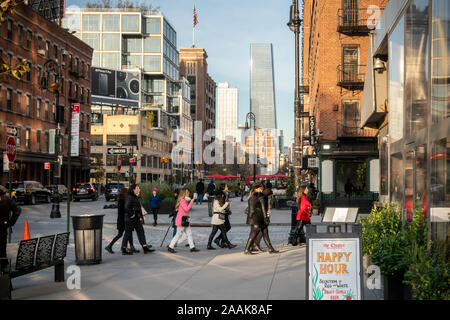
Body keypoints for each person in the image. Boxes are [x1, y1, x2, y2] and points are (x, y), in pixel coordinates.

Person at [244, 182, 279, 254]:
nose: (262, 189)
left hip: (258, 217)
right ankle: (247, 249)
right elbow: (262, 209)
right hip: (257, 218)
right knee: (253, 234)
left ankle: (270, 248)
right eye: (260, 188)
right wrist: (266, 217)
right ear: (256, 188)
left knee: (265, 232)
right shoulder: (258, 196)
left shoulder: (254, 195)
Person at [121, 184, 155, 255]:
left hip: (136, 218)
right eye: (137, 188)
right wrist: (132, 215)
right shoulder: (130, 197)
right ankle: (124, 249)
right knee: (127, 233)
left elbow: (137, 208)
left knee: (141, 232)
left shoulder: (135, 197)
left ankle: (145, 247)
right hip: (130, 219)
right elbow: (126, 208)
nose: (139, 189)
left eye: (139, 188)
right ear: (133, 189)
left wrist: (140, 217)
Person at [105, 187, 139, 254]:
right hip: (122, 220)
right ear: (124, 193)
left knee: (128, 233)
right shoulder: (122, 201)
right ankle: (110, 246)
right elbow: (123, 210)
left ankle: (128, 247)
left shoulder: (122, 200)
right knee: (121, 234)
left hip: (122, 219)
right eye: (127, 192)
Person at [167, 188, 200, 253]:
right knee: (178, 234)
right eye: (187, 192)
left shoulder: (184, 200)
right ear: (184, 193)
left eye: (188, 192)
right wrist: (191, 202)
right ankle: (171, 246)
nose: (188, 193)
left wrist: (190, 200)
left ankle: (192, 247)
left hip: (184, 219)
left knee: (189, 233)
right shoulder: (182, 200)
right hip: (181, 220)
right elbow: (186, 209)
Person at [0, 186, 21, 273]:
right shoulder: (7, 199)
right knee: (2, 248)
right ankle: (4, 265)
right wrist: (10, 223)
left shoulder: (6, 199)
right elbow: (17, 210)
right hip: (2, 229)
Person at [213, 183, 235, 248]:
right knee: (227, 227)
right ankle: (219, 239)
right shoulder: (223, 194)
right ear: (223, 187)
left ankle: (222, 242)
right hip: (223, 213)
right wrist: (227, 210)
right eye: (226, 186)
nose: (227, 187)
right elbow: (223, 203)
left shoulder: (224, 193)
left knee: (225, 228)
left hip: (224, 212)